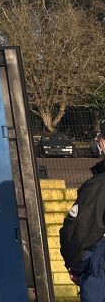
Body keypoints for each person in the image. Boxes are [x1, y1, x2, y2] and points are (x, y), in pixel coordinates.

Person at [61, 126, 105, 301]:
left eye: (101, 136)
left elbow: (80, 233)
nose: (98, 139)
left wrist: (76, 266)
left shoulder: (98, 186)